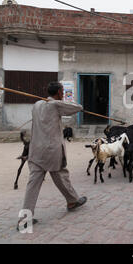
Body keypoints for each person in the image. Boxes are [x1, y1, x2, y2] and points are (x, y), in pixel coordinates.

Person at [18, 82, 87, 230]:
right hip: (52, 150)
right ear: (59, 92)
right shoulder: (56, 105)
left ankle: (25, 219)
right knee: (61, 174)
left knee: (35, 183)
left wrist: (52, 101)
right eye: (62, 91)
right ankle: (72, 200)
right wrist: (57, 102)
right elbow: (78, 107)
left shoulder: (37, 104)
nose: (63, 93)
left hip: (36, 150)